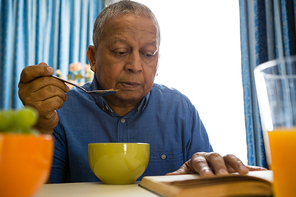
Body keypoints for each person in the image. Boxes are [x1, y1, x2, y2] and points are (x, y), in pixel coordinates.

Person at [18, 0, 264, 183]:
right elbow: (40, 190)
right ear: (92, 58)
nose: (135, 66)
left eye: (148, 54)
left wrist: (211, 170)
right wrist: (41, 127)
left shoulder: (179, 109)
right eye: (120, 51)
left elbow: (205, 182)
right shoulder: (60, 111)